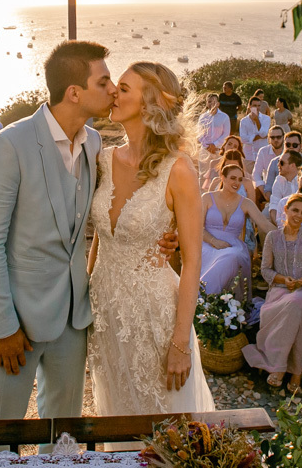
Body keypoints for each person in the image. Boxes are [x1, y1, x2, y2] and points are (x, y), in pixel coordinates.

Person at [0, 41, 178, 433]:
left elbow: (120, 209)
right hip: (15, 324)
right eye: (104, 82)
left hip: (73, 320)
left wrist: (166, 235)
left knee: (62, 435)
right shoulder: (8, 146)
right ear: (74, 93)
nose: (113, 91)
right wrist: (3, 327)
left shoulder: (96, 145)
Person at [88, 61, 216, 415]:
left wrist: (180, 343)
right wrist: (86, 288)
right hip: (106, 315)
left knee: (163, 426)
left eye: (124, 89)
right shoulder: (103, 159)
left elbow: (192, 264)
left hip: (155, 318)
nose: (114, 91)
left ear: (149, 102)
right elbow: (102, 237)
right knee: (117, 415)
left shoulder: (179, 170)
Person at [242, 194, 302, 392]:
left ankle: (280, 369)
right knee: (293, 308)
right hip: (280, 291)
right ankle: (295, 372)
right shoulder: (273, 237)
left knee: (296, 304)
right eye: (295, 210)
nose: (299, 215)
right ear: (286, 210)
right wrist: (282, 279)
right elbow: (265, 270)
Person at [199, 161, 275, 300]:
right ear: (222, 177)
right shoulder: (208, 198)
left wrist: (290, 233)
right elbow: (197, 227)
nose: (237, 182)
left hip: (233, 246)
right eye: (233, 178)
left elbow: (265, 225)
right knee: (216, 256)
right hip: (207, 243)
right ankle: (203, 299)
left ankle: (206, 300)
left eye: (240, 179)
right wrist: (214, 241)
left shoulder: (245, 203)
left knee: (232, 256)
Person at [197, 93, 230, 185]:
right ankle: (202, 197)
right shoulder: (202, 117)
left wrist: (214, 145)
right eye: (209, 102)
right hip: (205, 150)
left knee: (218, 175)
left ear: (218, 103)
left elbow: (226, 134)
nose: (212, 104)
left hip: (218, 150)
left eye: (214, 102)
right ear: (207, 103)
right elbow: (199, 133)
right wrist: (207, 146)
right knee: (203, 175)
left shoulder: (224, 117)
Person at [251, 126, 286, 207]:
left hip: (285, 186)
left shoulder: (288, 151)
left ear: (284, 137)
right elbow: (256, 174)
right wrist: (264, 191)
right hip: (268, 187)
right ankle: (256, 218)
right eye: (272, 137)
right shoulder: (263, 151)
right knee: (254, 192)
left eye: (278, 137)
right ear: (269, 139)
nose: (276, 140)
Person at [267, 149, 302, 224]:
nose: (278, 165)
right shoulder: (279, 180)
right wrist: (278, 224)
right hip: (283, 217)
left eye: (281, 163)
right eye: (278, 162)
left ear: (292, 166)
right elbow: (274, 204)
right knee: (264, 217)